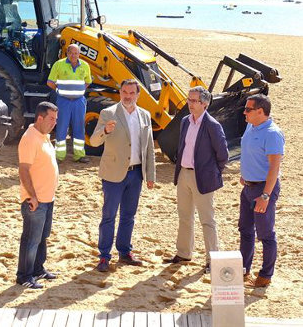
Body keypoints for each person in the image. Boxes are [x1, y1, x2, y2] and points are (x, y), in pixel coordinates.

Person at [89, 79, 155, 272]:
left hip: (136, 174)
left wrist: (150, 174)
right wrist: (105, 131)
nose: (127, 96)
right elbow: (93, 142)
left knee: (129, 215)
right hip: (113, 174)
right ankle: (104, 256)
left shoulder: (145, 115)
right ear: (120, 93)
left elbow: (149, 147)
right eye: (124, 92)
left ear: (137, 94)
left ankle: (124, 252)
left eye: (131, 93)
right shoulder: (108, 113)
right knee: (108, 215)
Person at [164, 87, 228, 271]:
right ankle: (184, 253)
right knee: (184, 216)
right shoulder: (185, 121)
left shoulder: (213, 125)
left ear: (204, 104)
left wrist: (211, 172)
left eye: (194, 101)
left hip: (203, 177)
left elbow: (222, 155)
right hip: (184, 174)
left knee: (207, 220)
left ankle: (212, 260)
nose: (190, 104)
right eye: (189, 100)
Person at [239, 94, 284, 288]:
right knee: (245, 230)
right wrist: (245, 174)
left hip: (263, 190)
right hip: (248, 187)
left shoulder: (272, 133)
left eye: (248, 109)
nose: (244, 112)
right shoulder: (251, 126)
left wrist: (265, 196)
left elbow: (274, 167)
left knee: (265, 235)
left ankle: (265, 276)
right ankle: (243, 271)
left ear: (260, 112)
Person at [16, 101, 59, 289]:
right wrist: (32, 196)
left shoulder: (44, 135)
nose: (54, 123)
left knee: (42, 237)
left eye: (56, 119)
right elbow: (23, 170)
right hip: (36, 200)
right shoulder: (30, 138)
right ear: (40, 118)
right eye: (51, 119)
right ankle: (24, 276)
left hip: (47, 198)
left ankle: (38, 269)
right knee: (31, 239)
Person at [47, 44, 92, 163]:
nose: (73, 55)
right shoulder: (59, 64)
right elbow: (50, 82)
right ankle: (59, 156)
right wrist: (59, 90)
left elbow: (87, 82)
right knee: (62, 127)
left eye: (76, 53)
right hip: (63, 101)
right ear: (67, 53)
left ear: (79, 54)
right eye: (71, 53)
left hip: (79, 102)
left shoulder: (85, 65)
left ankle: (79, 155)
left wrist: (79, 91)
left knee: (79, 128)